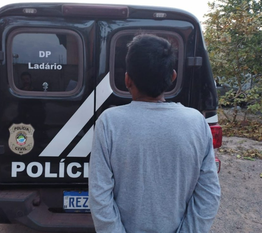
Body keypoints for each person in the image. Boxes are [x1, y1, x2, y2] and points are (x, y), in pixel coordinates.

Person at [89, 34, 221, 233]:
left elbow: (99, 194)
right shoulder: (196, 122)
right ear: (172, 77)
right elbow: (209, 193)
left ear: (127, 80)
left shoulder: (109, 122)